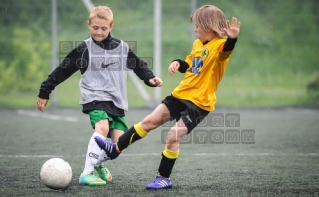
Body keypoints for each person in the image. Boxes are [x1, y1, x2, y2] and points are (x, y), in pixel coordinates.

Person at [94, 4, 241, 189]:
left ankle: (164, 178)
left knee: (173, 136)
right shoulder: (197, 44)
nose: (195, 29)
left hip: (198, 104)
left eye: (197, 25)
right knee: (149, 122)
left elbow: (227, 49)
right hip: (179, 96)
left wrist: (233, 39)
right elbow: (189, 63)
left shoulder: (220, 45)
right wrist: (177, 64)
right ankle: (115, 149)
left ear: (208, 27)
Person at [37, 6, 163, 186]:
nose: (99, 31)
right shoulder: (84, 49)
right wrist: (45, 90)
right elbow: (63, 70)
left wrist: (150, 78)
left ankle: (97, 162)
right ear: (89, 25)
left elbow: (139, 65)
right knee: (102, 128)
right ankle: (86, 173)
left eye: (103, 28)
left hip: (116, 101)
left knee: (119, 145)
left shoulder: (122, 47)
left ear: (111, 26)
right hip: (94, 96)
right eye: (95, 27)